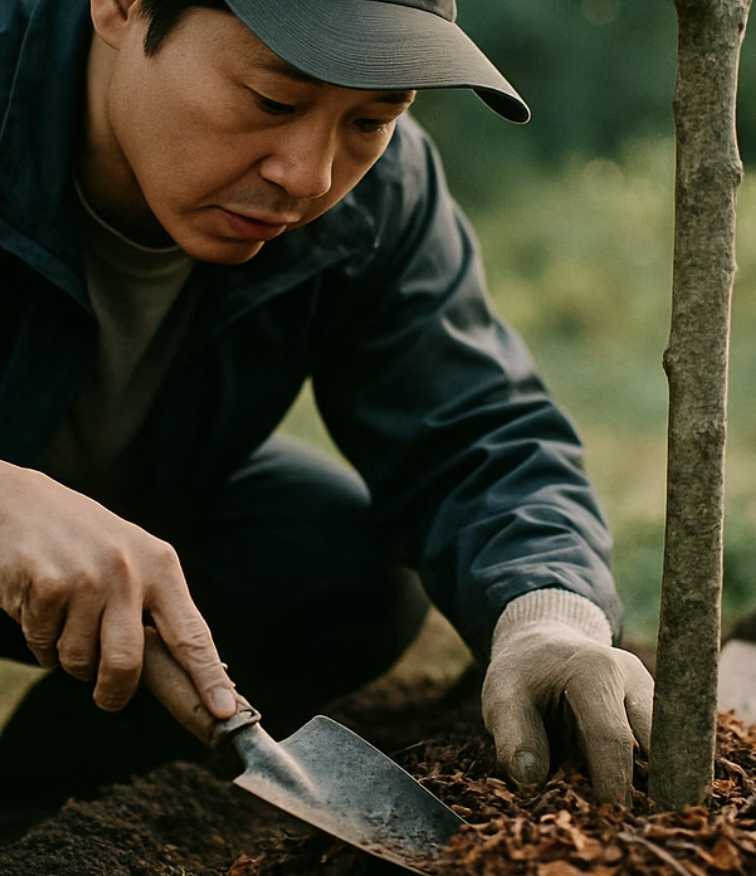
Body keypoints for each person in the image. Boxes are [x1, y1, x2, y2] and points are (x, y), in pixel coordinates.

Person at [0, 0, 653, 808]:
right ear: (122, 7)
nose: (309, 178)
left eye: (372, 119)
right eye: (273, 100)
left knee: (331, 556)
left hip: (111, 548)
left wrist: (547, 609)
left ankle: (45, 809)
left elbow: (477, 430)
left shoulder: (382, 196)